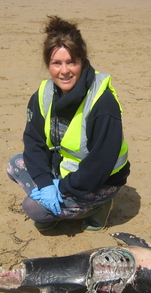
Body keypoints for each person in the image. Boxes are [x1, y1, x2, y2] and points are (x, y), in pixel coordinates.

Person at [7, 15, 130, 232]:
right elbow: (34, 141)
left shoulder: (102, 103)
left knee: (33, 208)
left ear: (82, 61)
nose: (64, 71)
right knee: (15, 165)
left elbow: (100, 164)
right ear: (48, 64)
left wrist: (62, 186)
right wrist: (46, 184)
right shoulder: (44, 93)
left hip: (101, 179)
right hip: (64, 169)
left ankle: (97, 208)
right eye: (57, 63)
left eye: (71, 62)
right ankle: (54, 202)